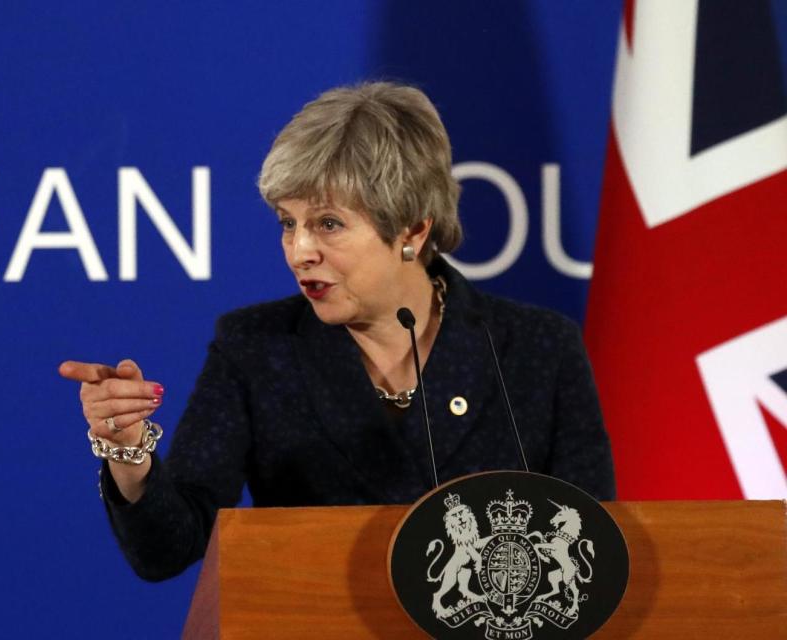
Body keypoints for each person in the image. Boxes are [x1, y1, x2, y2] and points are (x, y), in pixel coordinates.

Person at [59, 82, 615, 582]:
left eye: (328, 224)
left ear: (412, 230)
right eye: (288, 224)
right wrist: (128, 454)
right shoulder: (256, 349)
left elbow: (589, 545)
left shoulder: (537, 348)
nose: (300, 251)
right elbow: (170, 550)